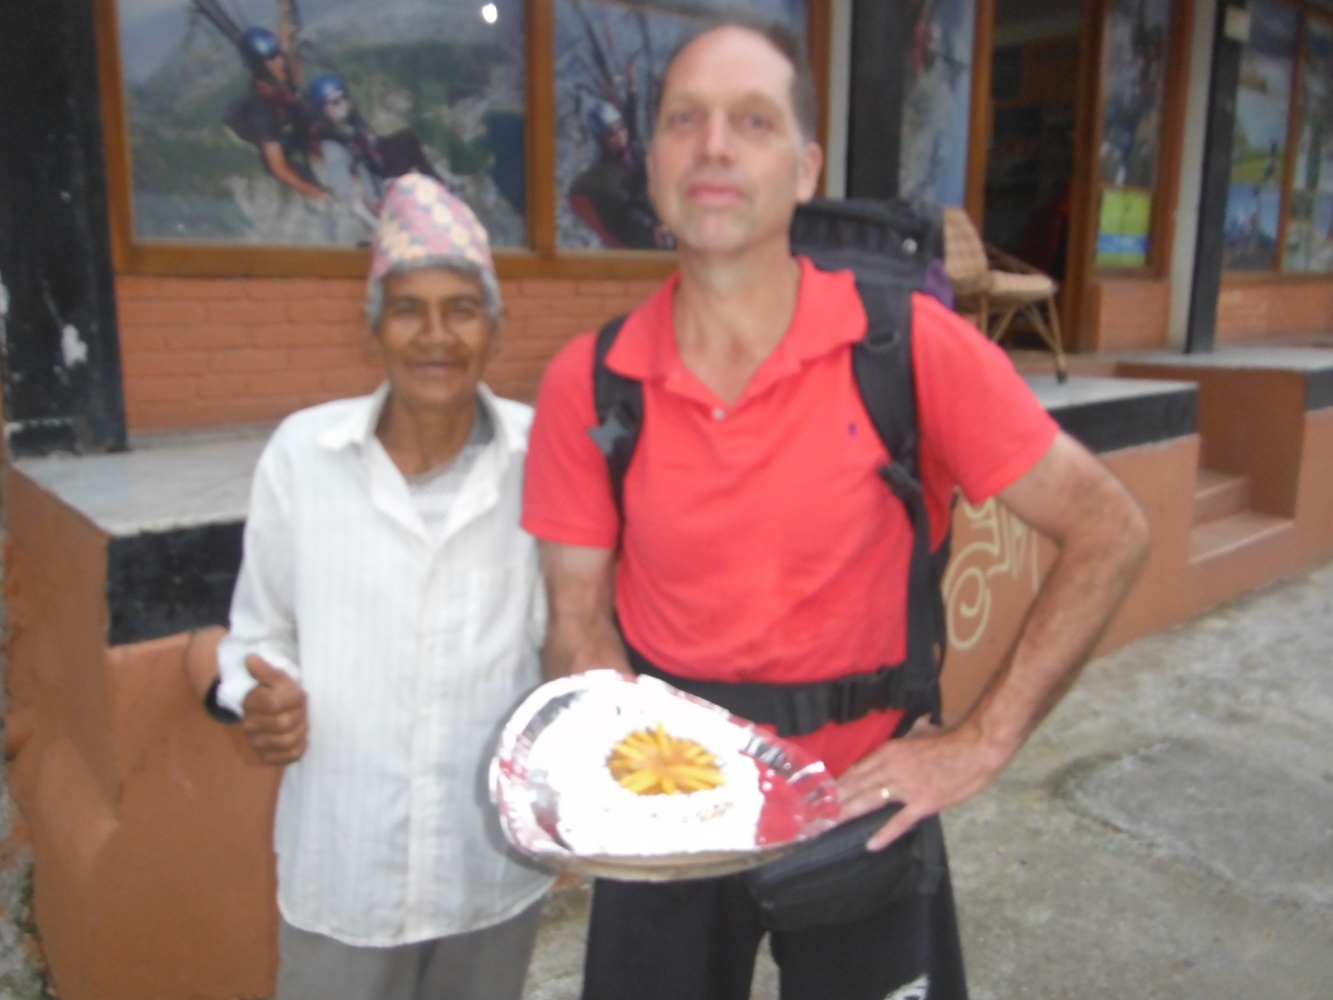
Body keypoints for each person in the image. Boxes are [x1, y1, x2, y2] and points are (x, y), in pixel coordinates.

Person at [523, 18, 1149, 1000]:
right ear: (651, 163)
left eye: (752, 121)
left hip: (862, 811)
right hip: (669, 812)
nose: (713, 145)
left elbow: (1108, 528)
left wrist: (981, 741)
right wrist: (609, 754)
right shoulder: (590, 382)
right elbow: (575, 616)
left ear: (805, 167)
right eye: (684, 119)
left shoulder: (909, 349)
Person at [207, 172, 552, 1000]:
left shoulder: (544, 458)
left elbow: (565, 636)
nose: (435, 335)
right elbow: (257, 634)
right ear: (373, 333)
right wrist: (258, 696)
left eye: (461, 309)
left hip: (489, 864)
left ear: (495, 331)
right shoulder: (302, 457)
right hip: (346, 869)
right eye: (407, 310)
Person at [224, 25, 330, 204]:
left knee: (311, 110)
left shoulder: (280, 80)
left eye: (278, 54)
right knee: (296, 161)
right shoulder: (261, 113)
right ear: (261, 67)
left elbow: (286, 42)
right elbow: (279, 168)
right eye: (272, 58)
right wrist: (316, 193)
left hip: (283, 121)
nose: (280, 61)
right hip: (271, 141)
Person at [568, 79, 670, 250]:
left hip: (658, 208)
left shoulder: (631, 149)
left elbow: (631, 124)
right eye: (611, 134)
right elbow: (626, 213)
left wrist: (632, 89)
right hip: (644, 237)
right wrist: (652, 229)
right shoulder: (606, 176)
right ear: (602, 140)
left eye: (620, 128)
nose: (620, 136)